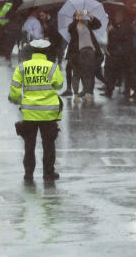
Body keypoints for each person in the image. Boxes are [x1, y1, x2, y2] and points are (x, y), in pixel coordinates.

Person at [9, 38, 64, 181]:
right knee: (48, 144)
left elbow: (14, 91)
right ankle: (48, 173)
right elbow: (59, 85)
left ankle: (28, 173)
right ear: (46, 52)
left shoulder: (22, 67)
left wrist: (17, 99)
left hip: (29, 113)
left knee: (29, 145)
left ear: (32, 51)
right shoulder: (52, 67)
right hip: (48, 113)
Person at [67, 10, 102, 105]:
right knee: (77, 74)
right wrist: (76, 20)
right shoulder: (73, 26)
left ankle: (87, 93)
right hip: (77, 53)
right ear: (75, 17)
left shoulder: (88, 24)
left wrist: (91, 16)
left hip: (90, 52)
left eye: (82, 14)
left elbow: (98, 25)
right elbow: (70, 29)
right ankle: (76, 95)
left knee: (88, 73)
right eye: (78, 15)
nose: (81, 16)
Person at [104, 9, 133, 97]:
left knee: (118, 72)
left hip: (121, 53)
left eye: (117, 16)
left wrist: (112, 31)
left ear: (121, 16)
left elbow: (121, 37)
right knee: (113, 72)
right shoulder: (114, 25)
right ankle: (110, 90)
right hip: (115, 52)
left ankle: (116, 90)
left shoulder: (125, 26)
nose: (115, 18)